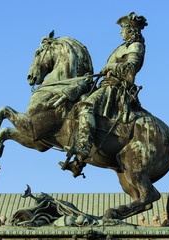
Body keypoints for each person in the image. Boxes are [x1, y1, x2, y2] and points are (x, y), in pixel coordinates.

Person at [63, 12, 148, 176]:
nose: (120, 32)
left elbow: (131, 69)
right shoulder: (122, 47)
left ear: (130, 30)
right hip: (105, 84)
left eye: (122, 28)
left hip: (115, 89)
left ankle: (83, 148)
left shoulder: (136, 46)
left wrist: (110, 67)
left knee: (86, 105)